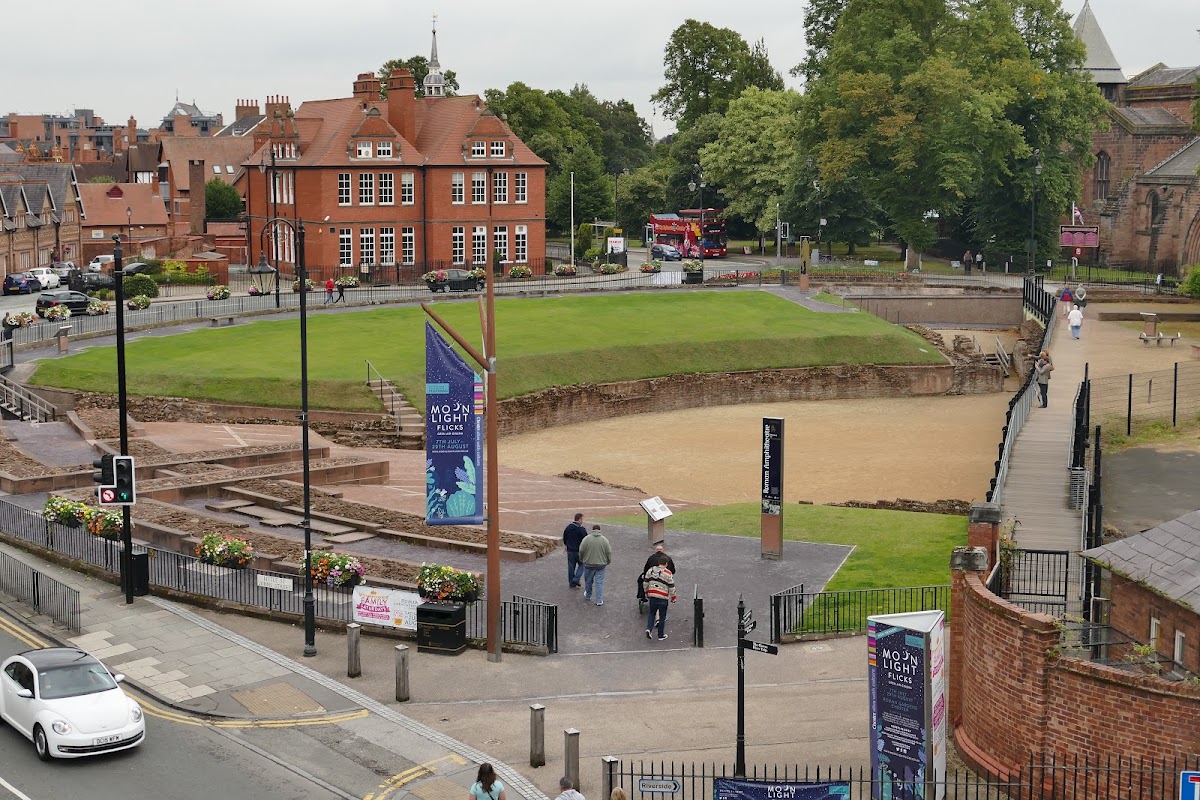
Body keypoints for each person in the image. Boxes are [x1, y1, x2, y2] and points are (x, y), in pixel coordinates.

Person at [642, 559, 677, 641]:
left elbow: (645, 582)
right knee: (662, 616)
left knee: (651, 613)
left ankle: (649, 629)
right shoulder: (668, 573)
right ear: (666, 564)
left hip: (652, 595)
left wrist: (646, 592)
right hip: (663, 596)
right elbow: (671, 586)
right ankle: (660, 635)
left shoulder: (650, 570)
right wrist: (673, 597)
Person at [578, 524, 612, 606]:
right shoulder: (604, 540)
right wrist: (608, 561)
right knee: (599, 582)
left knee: (588, 581)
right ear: (599, 530)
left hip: (588, 564)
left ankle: (588, 595)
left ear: (592, 530)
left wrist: (582, 559)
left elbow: (581, 550)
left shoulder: (586, 539)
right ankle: (599, 600)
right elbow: (608, 552)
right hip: (601, 564)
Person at [562, 513, 587, 588]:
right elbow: (586, 540)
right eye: (582, 519)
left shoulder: (568, 527)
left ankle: (571, 582)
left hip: (570, 550)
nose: (583, 521)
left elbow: (564, 537)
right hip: (579, 551)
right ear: (579, 519)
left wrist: (566, 545)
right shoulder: (581, 529)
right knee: (582, 565)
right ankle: (576, 579)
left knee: (571, 567)